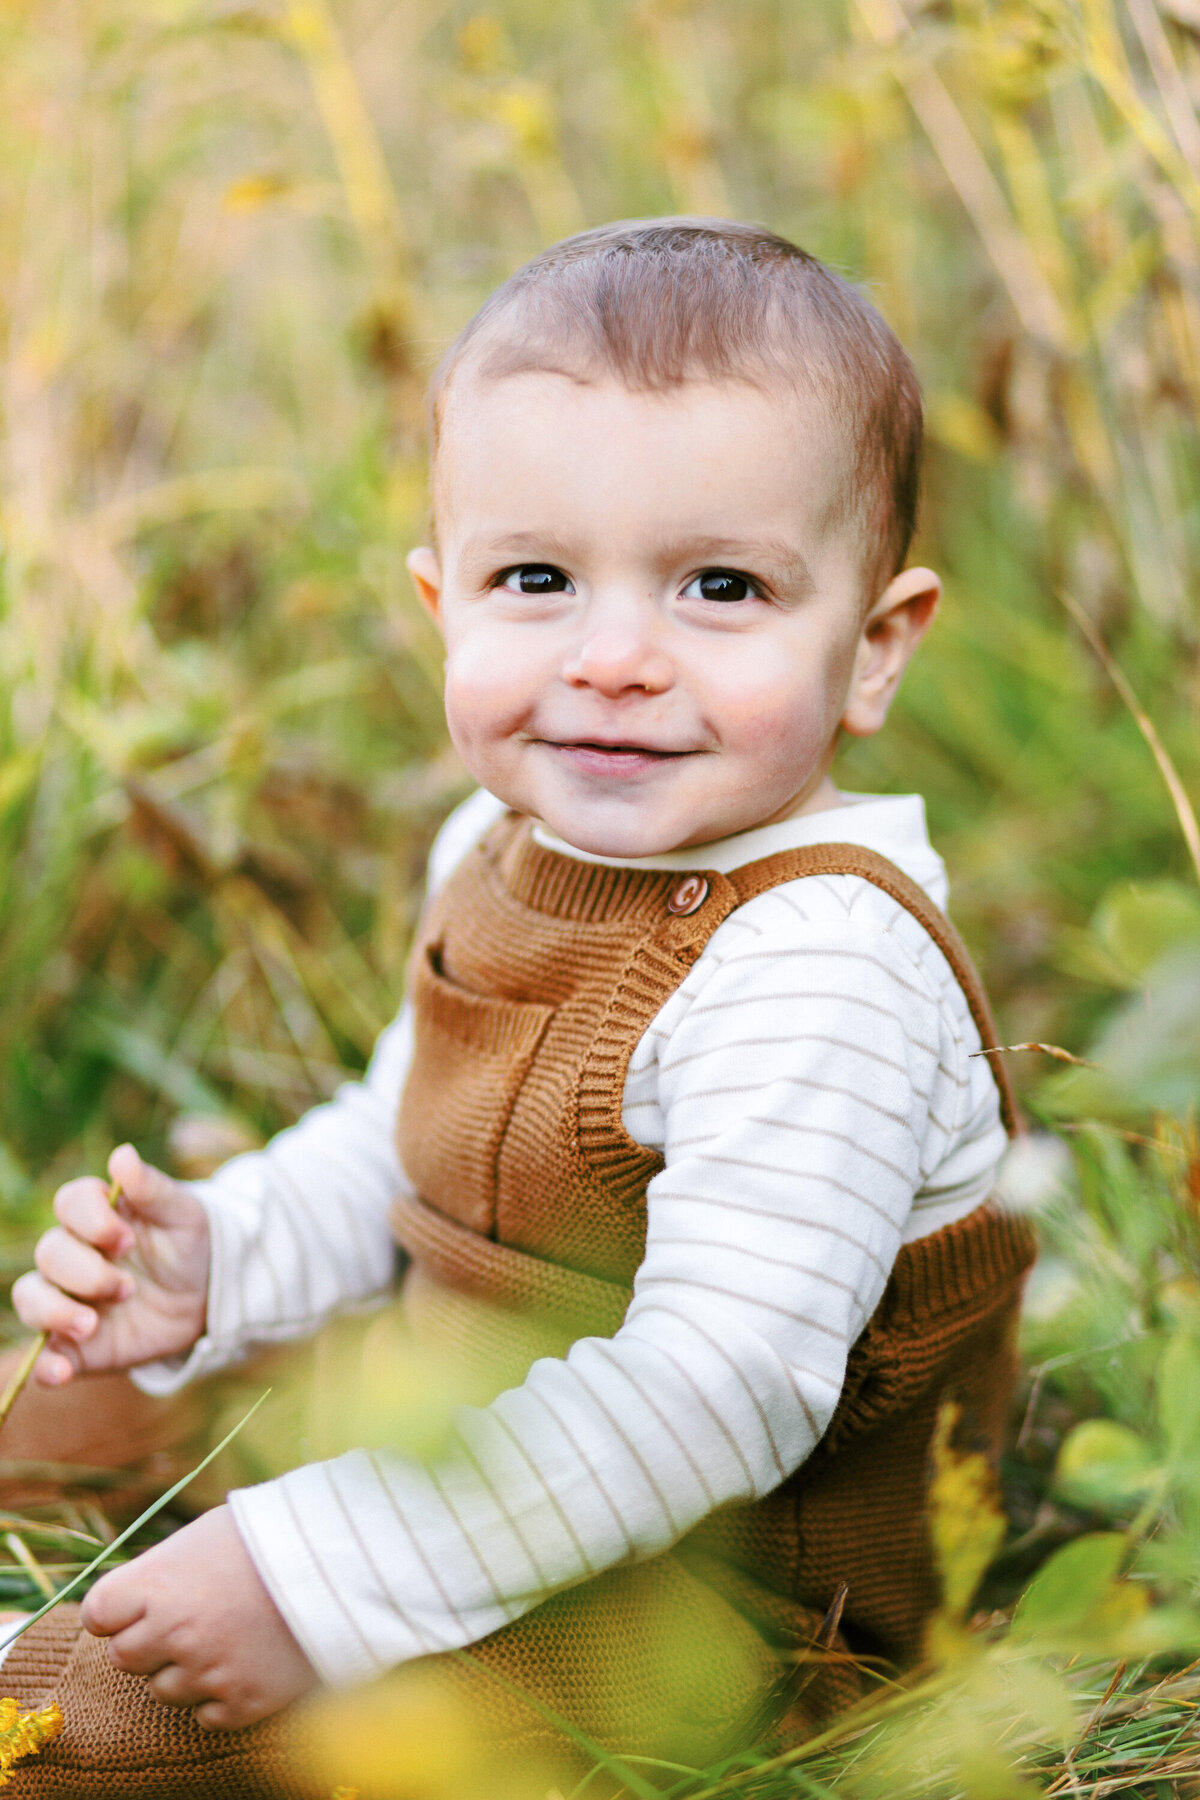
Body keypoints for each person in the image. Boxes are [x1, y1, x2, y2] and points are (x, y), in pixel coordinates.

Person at [3, 218, 1034, 1793]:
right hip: (482, 1429)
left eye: (722, 586)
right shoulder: (505, 845)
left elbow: (715, 1396)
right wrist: (229, 1255)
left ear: (874, 648)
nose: (614, 656)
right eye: (538, 578)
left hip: (736, 1603)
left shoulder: (823, 967)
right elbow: (402, 1141)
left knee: (108, 1722)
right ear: (445, 603)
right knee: (64, 1399)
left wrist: (312, 1574)